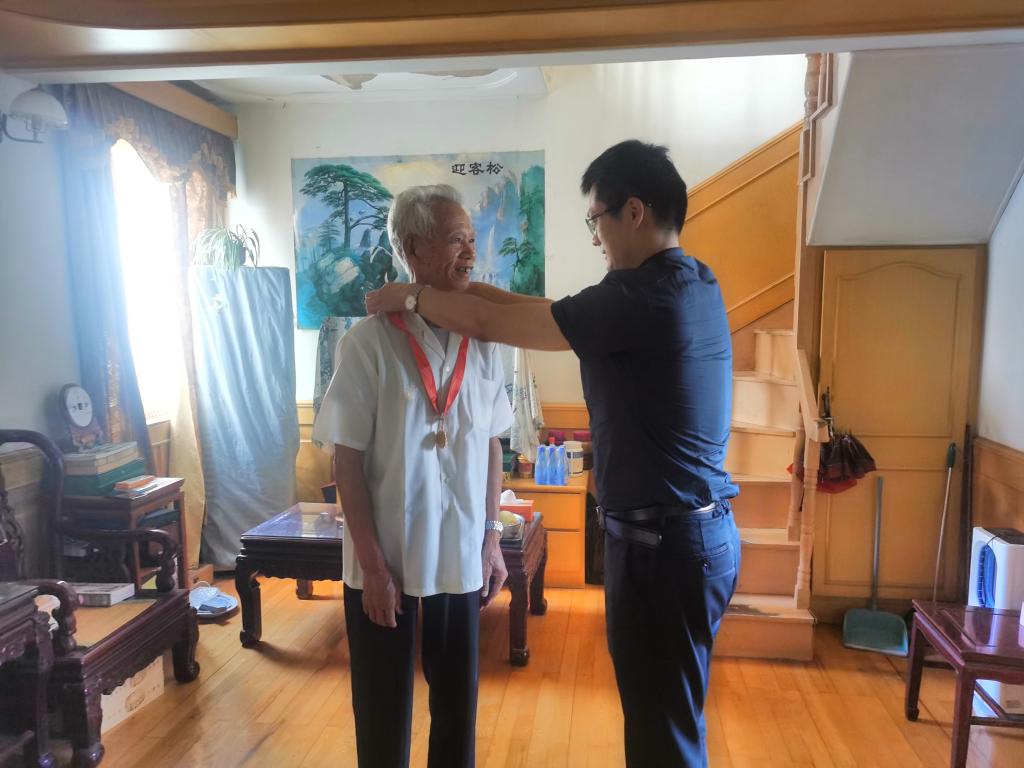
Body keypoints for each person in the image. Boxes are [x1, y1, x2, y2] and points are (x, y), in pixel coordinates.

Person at [366, 140, 740, 768]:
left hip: (663, 549)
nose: (595, 236)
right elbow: (543, 311)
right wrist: (464, 288)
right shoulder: (691, 279)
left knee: (663, 735)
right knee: (671, 723)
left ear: (634, 212)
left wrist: (409, 298)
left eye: (596, 219)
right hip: (695, 538)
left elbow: (496, 326)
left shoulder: (637, 299)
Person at [313, 184, 513, 768]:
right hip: (387, 559)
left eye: (471, 239)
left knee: (457, 708)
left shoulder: (483, 341)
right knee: (381, 710)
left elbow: (492, 442)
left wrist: (492, 537)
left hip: (459, 551)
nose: (470, 252)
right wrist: (373, 567)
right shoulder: (367, 343)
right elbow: (345, 460)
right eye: (456, 240)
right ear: (413, 249)